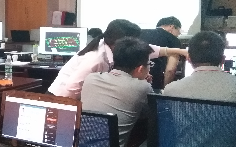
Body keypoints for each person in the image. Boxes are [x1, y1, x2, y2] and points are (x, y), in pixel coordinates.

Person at [47, 19, 187, 99]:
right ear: (119, 42)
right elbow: (71, 90)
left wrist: (181, 51)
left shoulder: (112, 46)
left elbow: (152, 49)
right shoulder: (96, 59)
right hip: (61, 100)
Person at [81, 38, 154, 147]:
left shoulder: (91, 78)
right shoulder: (143, 87)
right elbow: (151, 115)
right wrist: (144, 83)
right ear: (140, 68)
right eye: (149, 64)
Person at [139, 16, 182, 90]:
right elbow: (170, 70)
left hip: (135, 80)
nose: (179, 33)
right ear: (171, 27)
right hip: (156, 81)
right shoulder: (174, 40)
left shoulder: (140, 33)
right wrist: (165, 90)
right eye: (179, 30)